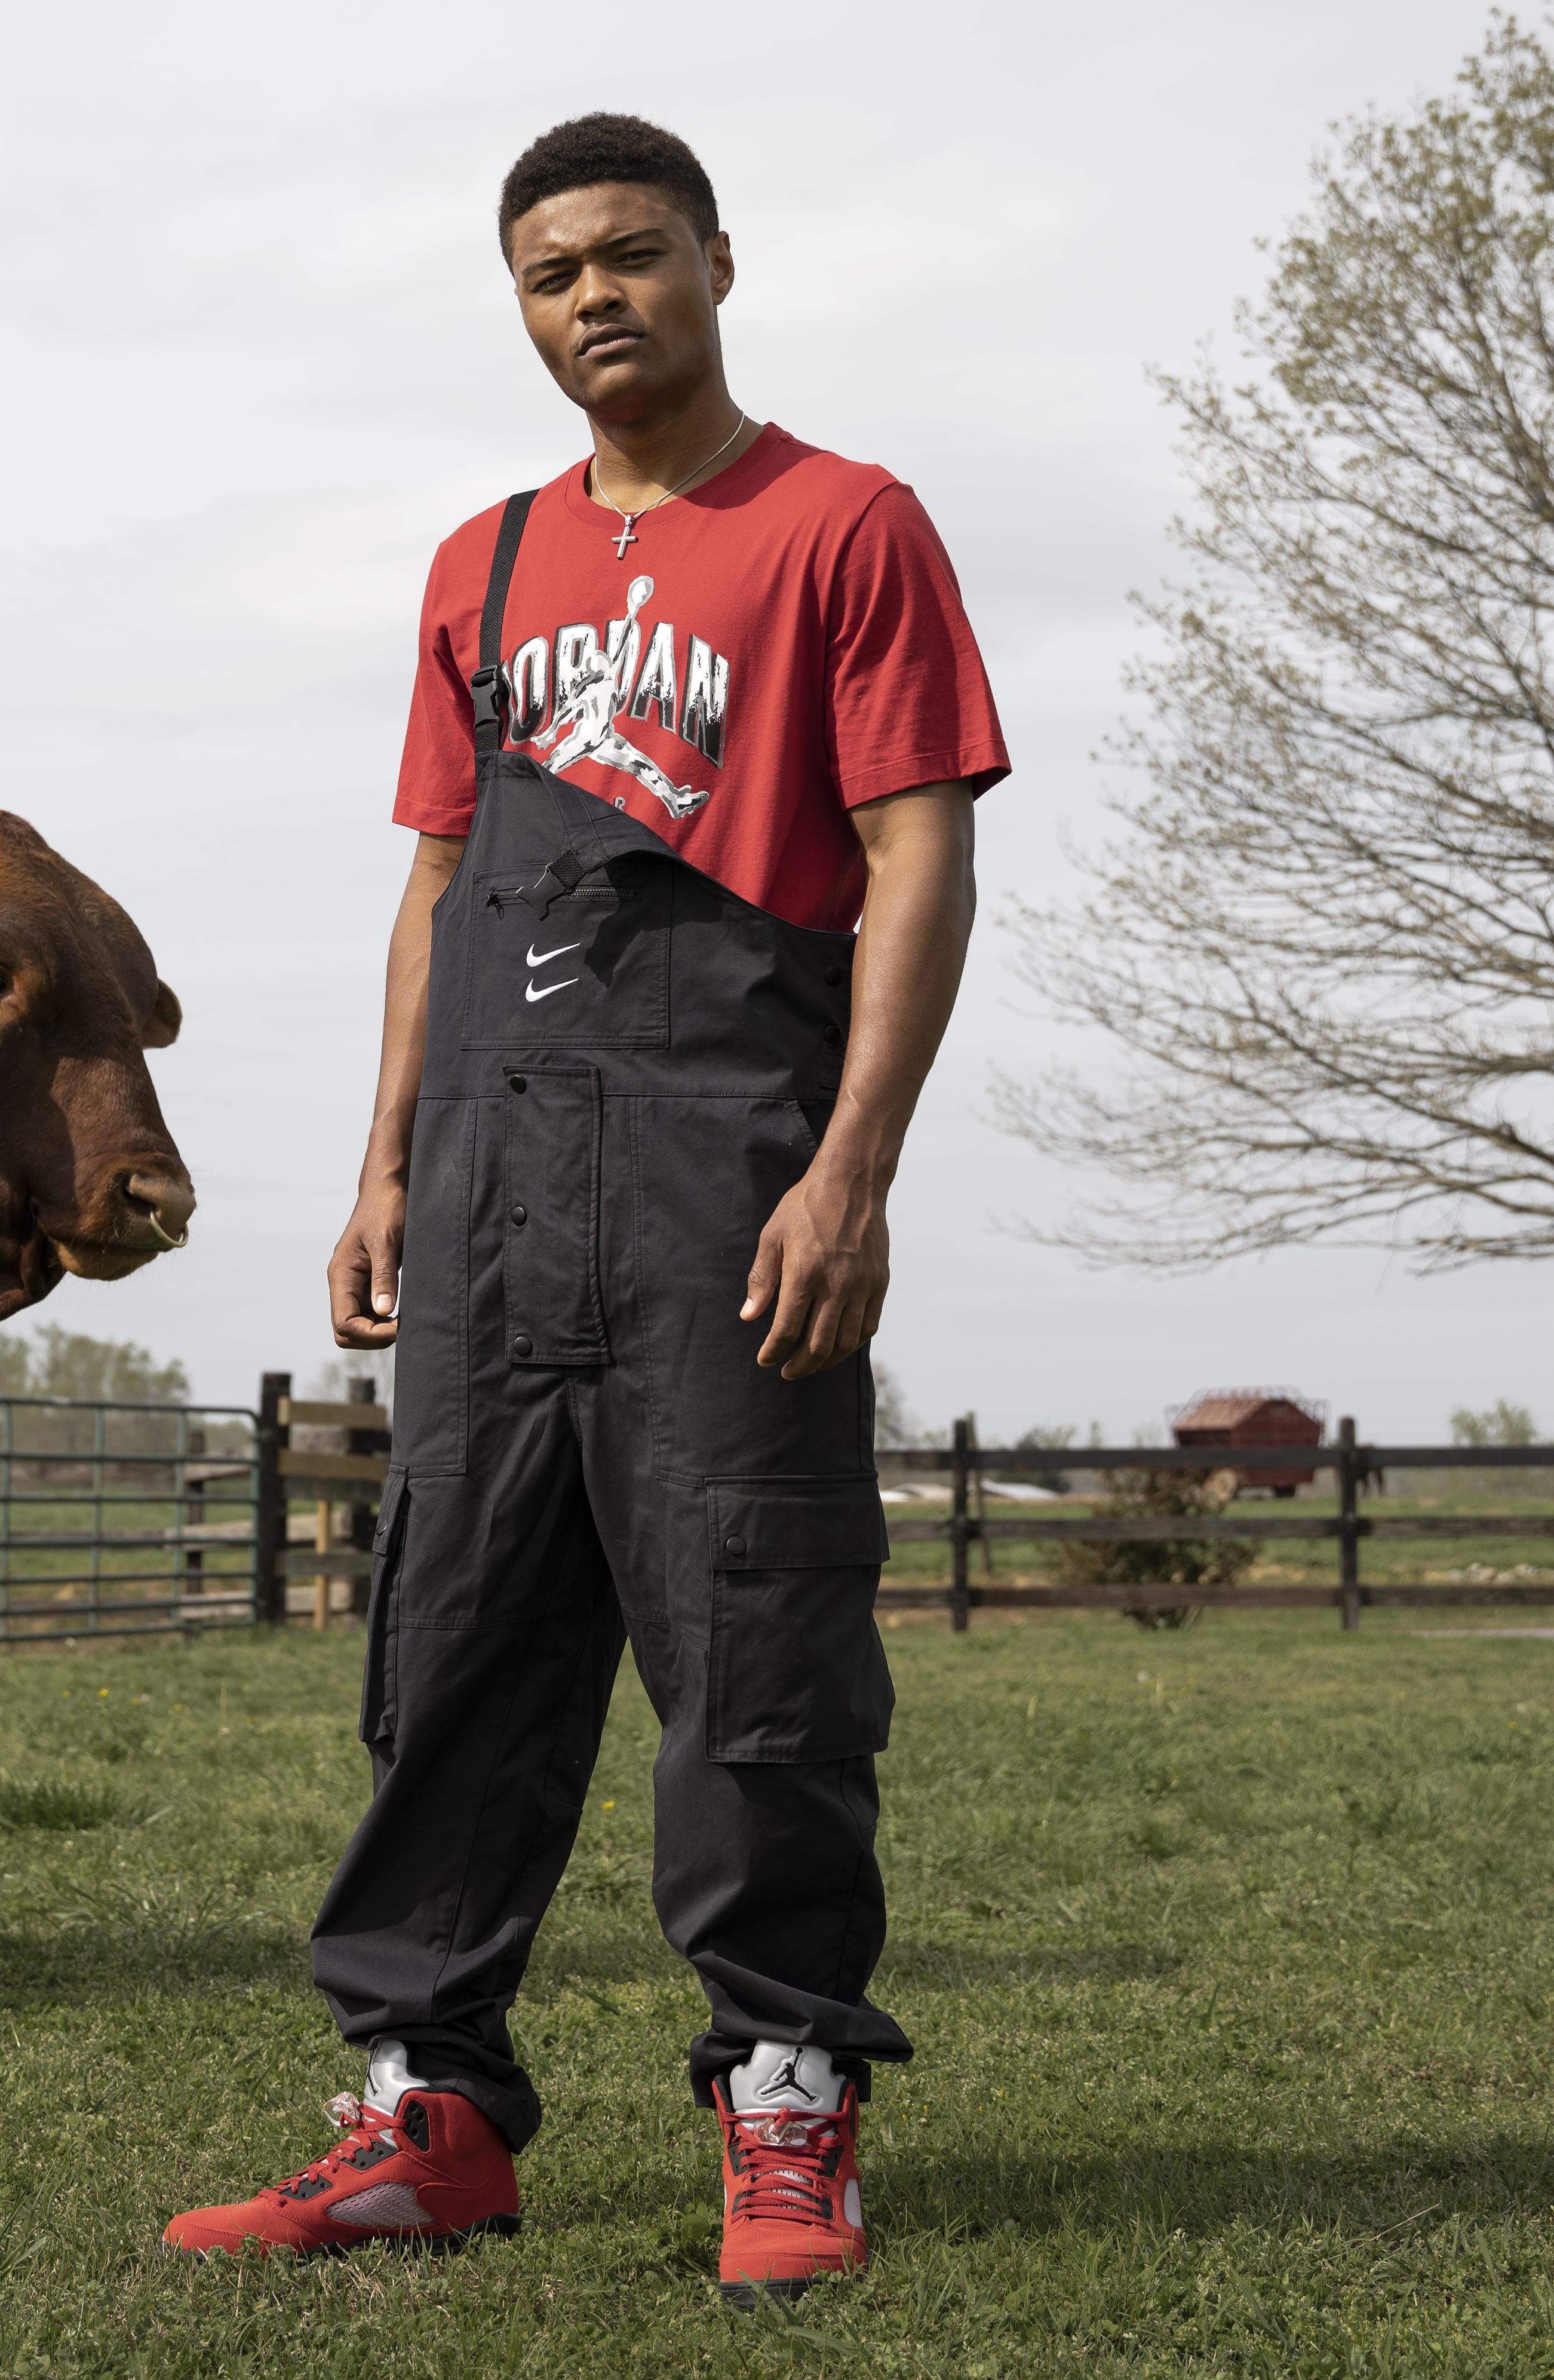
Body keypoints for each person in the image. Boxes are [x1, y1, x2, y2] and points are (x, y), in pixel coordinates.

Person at [164, 112, 1004, 2304]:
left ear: (719, 262)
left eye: (631, 256)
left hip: (727, 1176)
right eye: (549, 276)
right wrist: (385, 1160)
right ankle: (421, 2117)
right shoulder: (490, 563)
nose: (592, 301)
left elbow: (918, 848)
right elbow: (440, 879)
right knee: (450, 1639)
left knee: (756, 1651)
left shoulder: (844, 524)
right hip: (494, 1188)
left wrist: (853, 1164)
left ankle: (787, 2109)